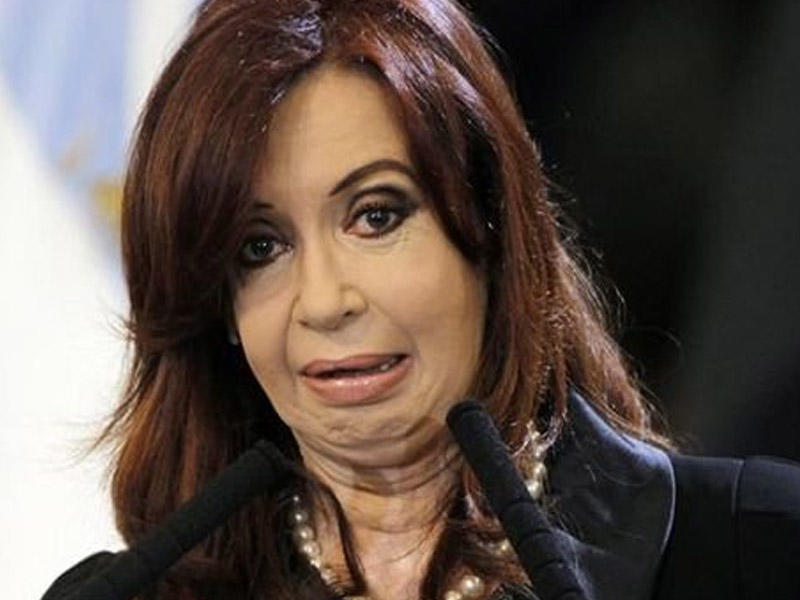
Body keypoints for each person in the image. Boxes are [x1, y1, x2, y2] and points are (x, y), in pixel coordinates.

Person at [42, 1, 800, 599]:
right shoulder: (129, 594)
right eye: (260, 248)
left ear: (491, 231)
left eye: (376, 216)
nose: (324, 302)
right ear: (219, 312)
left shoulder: (759, 545)